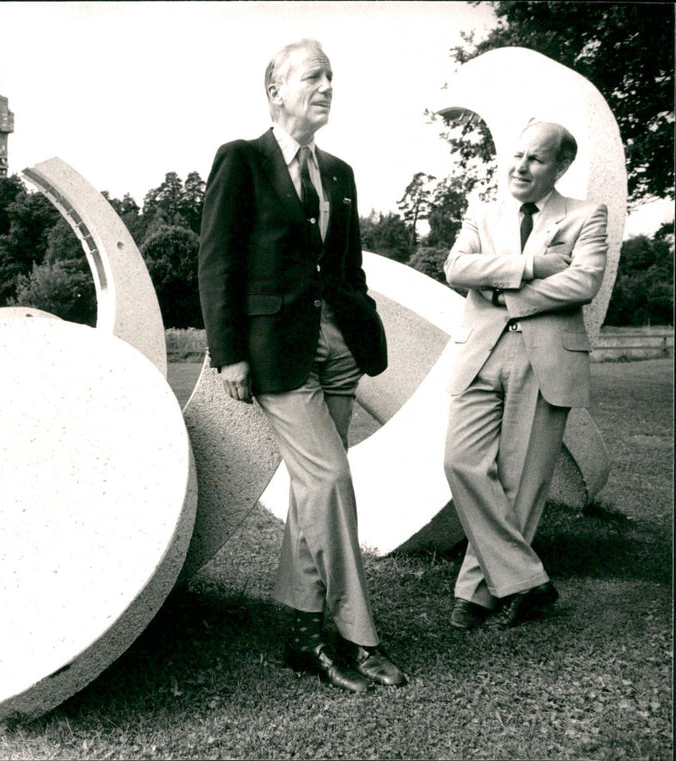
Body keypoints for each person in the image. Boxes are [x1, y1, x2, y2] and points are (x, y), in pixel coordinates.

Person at [198, 39, 405, 693]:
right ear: (276, 91)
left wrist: (356, 327)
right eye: (313, 76)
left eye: (331, 77)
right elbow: (217, 260)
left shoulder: (338, 172)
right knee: (331, 478)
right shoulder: (241, 160)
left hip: (339, 349)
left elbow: (349, 265)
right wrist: (229, 353)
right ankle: (358, 636)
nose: (327, 86)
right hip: (277, 353)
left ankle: (301, 631)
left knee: (312, 492)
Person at [443, 120, 608, 631]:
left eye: (535, 159)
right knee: (461, 462)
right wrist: (535, 265)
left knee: (521, 481)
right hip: (480, 353)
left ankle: (476, 593)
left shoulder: (586, 214)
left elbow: (583, 282)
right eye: (517, 155)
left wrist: (502, 287)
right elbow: (456, 269)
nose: (520, 166)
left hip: (545, 358)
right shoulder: (482, 211)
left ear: (560, 166)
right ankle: (528, 580)